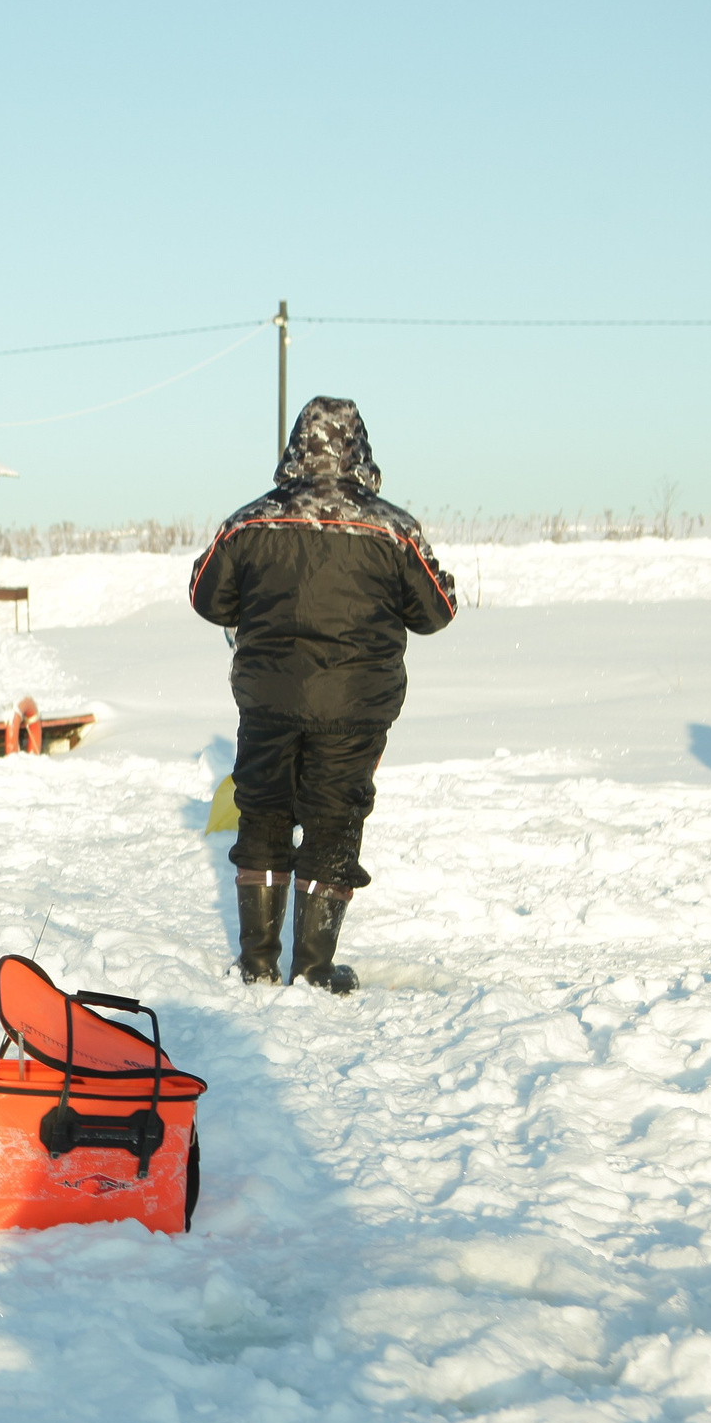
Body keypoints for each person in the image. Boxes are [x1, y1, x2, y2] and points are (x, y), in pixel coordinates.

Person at [188, 397, 456, 992]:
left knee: (263, 814)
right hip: (355, 707)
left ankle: (258, 965)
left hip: (267, 700)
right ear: (359, 448)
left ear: (295, 449)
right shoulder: (393, 527)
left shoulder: (249, 522)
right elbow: (436, 611)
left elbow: (206, 598)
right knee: (334, 824)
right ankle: (313, 969)